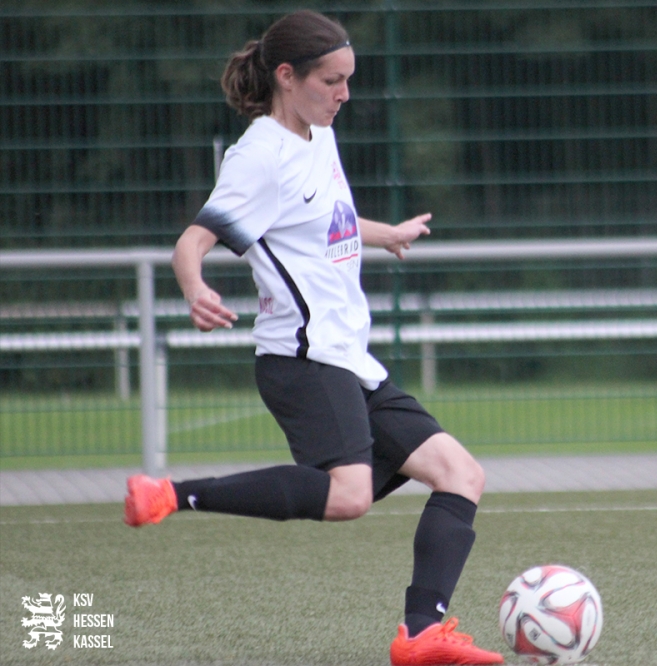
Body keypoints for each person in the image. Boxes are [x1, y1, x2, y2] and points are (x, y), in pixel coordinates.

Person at [122, 11, 505, 664]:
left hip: (347, 357)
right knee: (350, 496)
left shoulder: (317, 133)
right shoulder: (259, 156)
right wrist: (194, 288)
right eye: (332, 81)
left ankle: (421, 636)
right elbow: (193, 240)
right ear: (286, 76)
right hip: (301, 359)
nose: (345, 94)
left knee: (460, 474)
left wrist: (386, 234)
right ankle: (169, 494)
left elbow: (327, 217)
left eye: (349, 80)